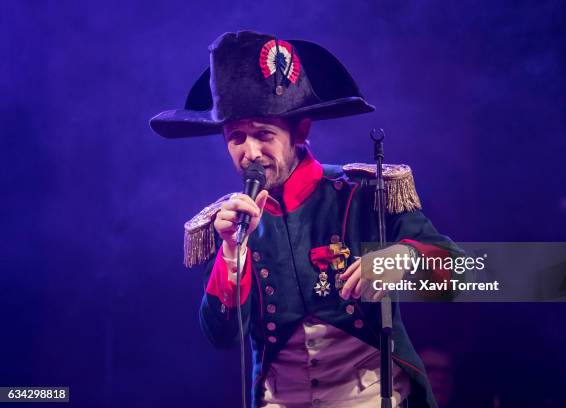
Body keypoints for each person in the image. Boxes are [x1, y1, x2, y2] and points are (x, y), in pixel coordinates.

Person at [150, 30, 463, 408]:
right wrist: (232, 254)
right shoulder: (228, 225)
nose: (250, 152)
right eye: (236, 138)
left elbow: (459, 271)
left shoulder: (365, 194)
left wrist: (398, 259)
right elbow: (221, 337)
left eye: (263, 134)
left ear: (301, 130)